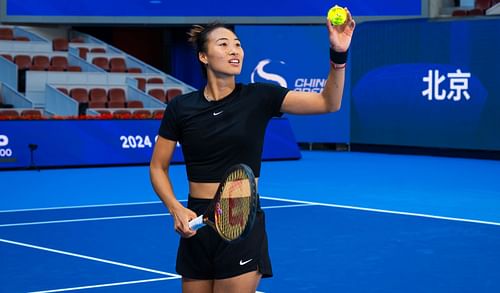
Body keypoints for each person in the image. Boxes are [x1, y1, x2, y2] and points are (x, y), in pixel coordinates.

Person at [149, 10, 355, 293]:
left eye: (237, 44)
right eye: (223, 44)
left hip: (240, 218)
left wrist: (338, 53)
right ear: (203, 56)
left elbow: (327, 103)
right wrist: (175, 208)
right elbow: (157, 167)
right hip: (195, 221)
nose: (234, 50)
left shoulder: (260, 97)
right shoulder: (180, 108)